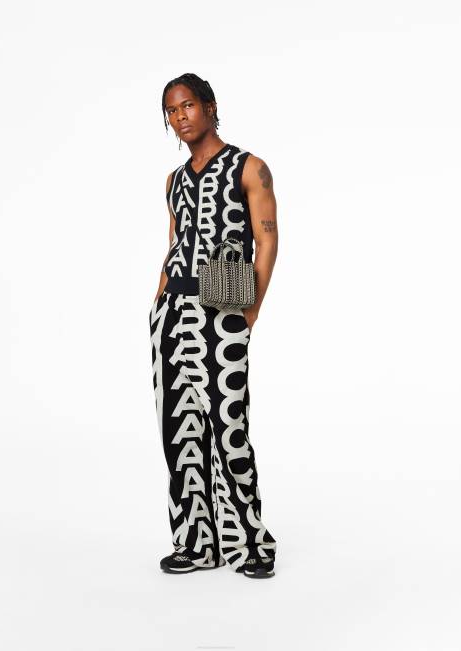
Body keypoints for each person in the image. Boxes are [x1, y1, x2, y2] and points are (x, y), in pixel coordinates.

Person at [149, 73, 279, 579]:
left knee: (229, 427)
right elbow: (174, 241)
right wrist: (158, 299)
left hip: (223, 307)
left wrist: (252, 309)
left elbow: (267, 240)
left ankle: (250, 544)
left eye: (186, 106)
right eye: (171, 111)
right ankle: (196, 543)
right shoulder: (174, 180)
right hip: (172, 312)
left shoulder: (250, 167)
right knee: (178, 429)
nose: (179, 117)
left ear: (209, 106)